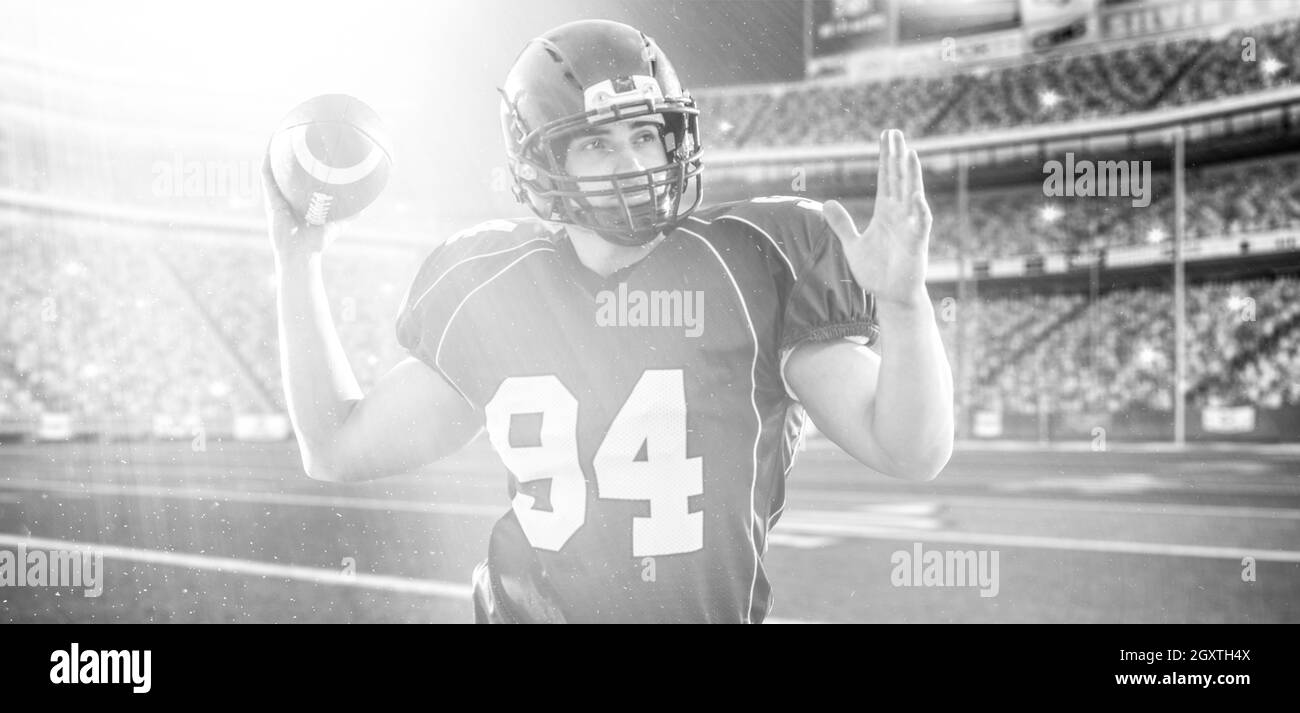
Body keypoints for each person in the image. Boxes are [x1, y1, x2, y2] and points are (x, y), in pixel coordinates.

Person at [264, 19, 953, 623]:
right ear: (543, 162)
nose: (632, 163)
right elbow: (335, 448)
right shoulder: (493, 285)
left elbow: (909, 449)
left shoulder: (760, 259)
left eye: (646, 135)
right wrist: (297, 256)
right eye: (596, 144)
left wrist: (904, 308)